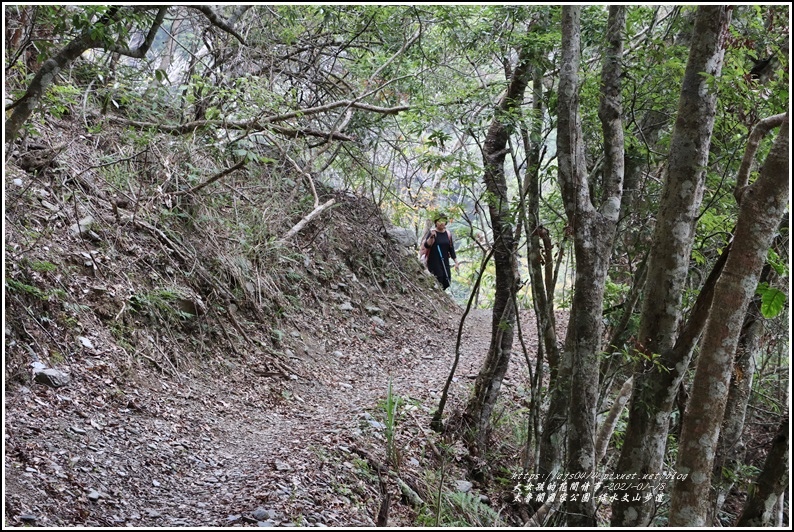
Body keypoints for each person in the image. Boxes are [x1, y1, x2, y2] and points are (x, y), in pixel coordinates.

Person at [423, 214, 458, 290]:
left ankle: (442, 295)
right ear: (436, 222)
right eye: (439, 221)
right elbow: (426, 245)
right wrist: (432, 237)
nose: (441, 223)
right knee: (438, 280)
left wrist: (456, 262)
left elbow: (451, 248)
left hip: (445, 262)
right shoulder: (433, 232)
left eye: (443, 221)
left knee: (447, 280)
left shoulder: (448, 234)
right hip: (434, 262)